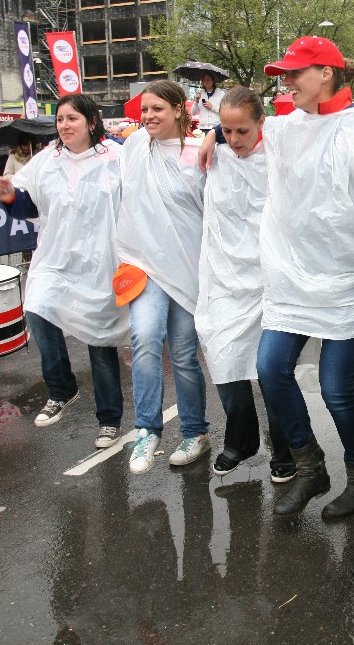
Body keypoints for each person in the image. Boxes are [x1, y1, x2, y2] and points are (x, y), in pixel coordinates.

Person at [199, 36, 354, 520]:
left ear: (326, 73)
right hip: (290, 283)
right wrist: (214, 134)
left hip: (343, 284)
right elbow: (244, 129)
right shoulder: (283, 128)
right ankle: (309, 467)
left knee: (336, 389)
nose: (287, 83)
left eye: (295, 73)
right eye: (283, 75)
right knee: (270, 369)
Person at [0, 95, 129, 448]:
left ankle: (109, 418)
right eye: (60, 119)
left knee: (100, 338)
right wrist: (9, 196)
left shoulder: (118, 157)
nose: (64, 125)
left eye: (72, 118)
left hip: (101, 263)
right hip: (56, 258)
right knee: (37, 307)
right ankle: (61, 388)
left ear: (91, 122)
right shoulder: (47, 160)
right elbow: (28, 204)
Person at [195, 87, 295, 483]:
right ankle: (240, 442)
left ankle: (285, 449)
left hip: (268, 281)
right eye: (227, 130)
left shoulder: (279, 157)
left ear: (262, 124)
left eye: (242, 131)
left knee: (271, 371)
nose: (234, 139)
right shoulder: (214, 156)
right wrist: (212, 136)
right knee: (224, 360)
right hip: (223, 280)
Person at [116, 80, 211, 472]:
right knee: (144, 337)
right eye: (145, 110)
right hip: (144, 264)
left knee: (184, 354)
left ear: (178, 109)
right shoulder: (135, 147)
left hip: (188, 268)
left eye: (157, 108)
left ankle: (195, 433)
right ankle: (147, 430)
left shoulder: (198, 151)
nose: (148, 116)